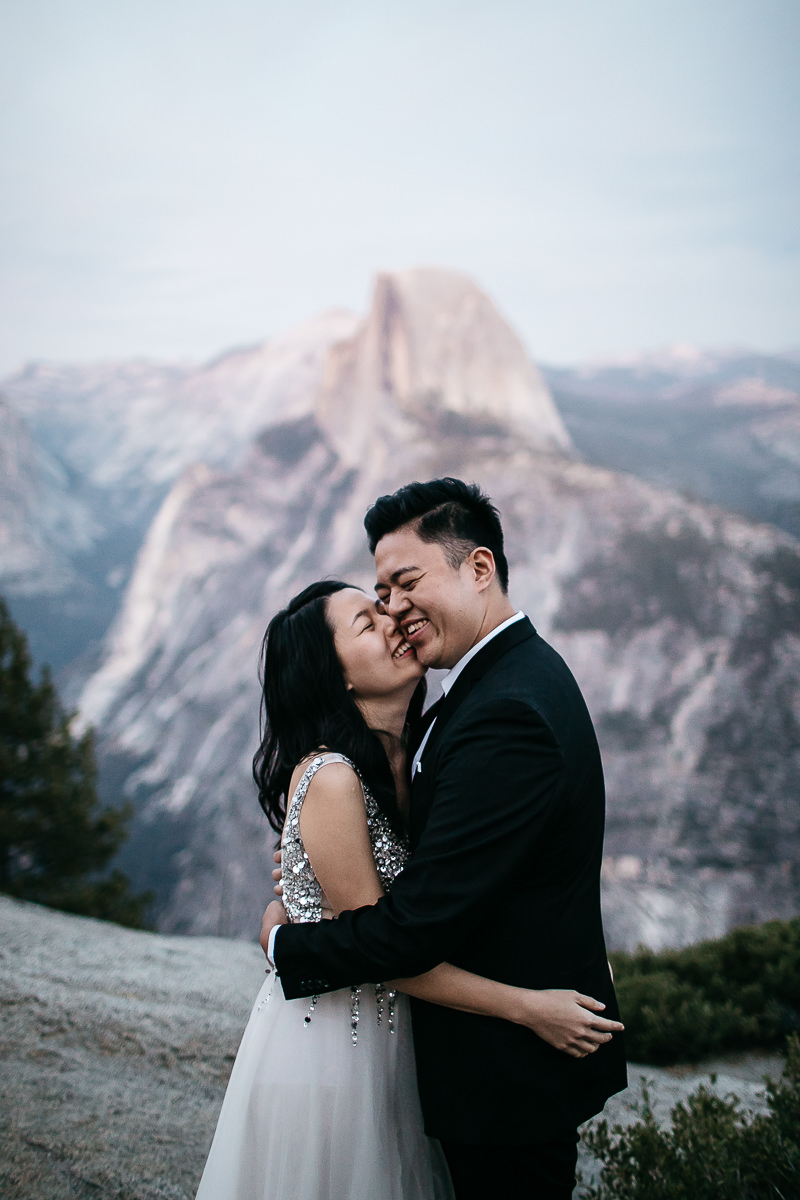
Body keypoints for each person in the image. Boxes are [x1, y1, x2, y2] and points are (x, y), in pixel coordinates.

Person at [196, 578, 623, 1200]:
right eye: (369, 624)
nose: (395, 622)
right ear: (333, 676)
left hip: (412, 1042)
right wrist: (529, 1006)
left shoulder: (424, 749)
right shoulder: (334, 778)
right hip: (338, 1046)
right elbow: (384, 950)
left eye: (386, 610)